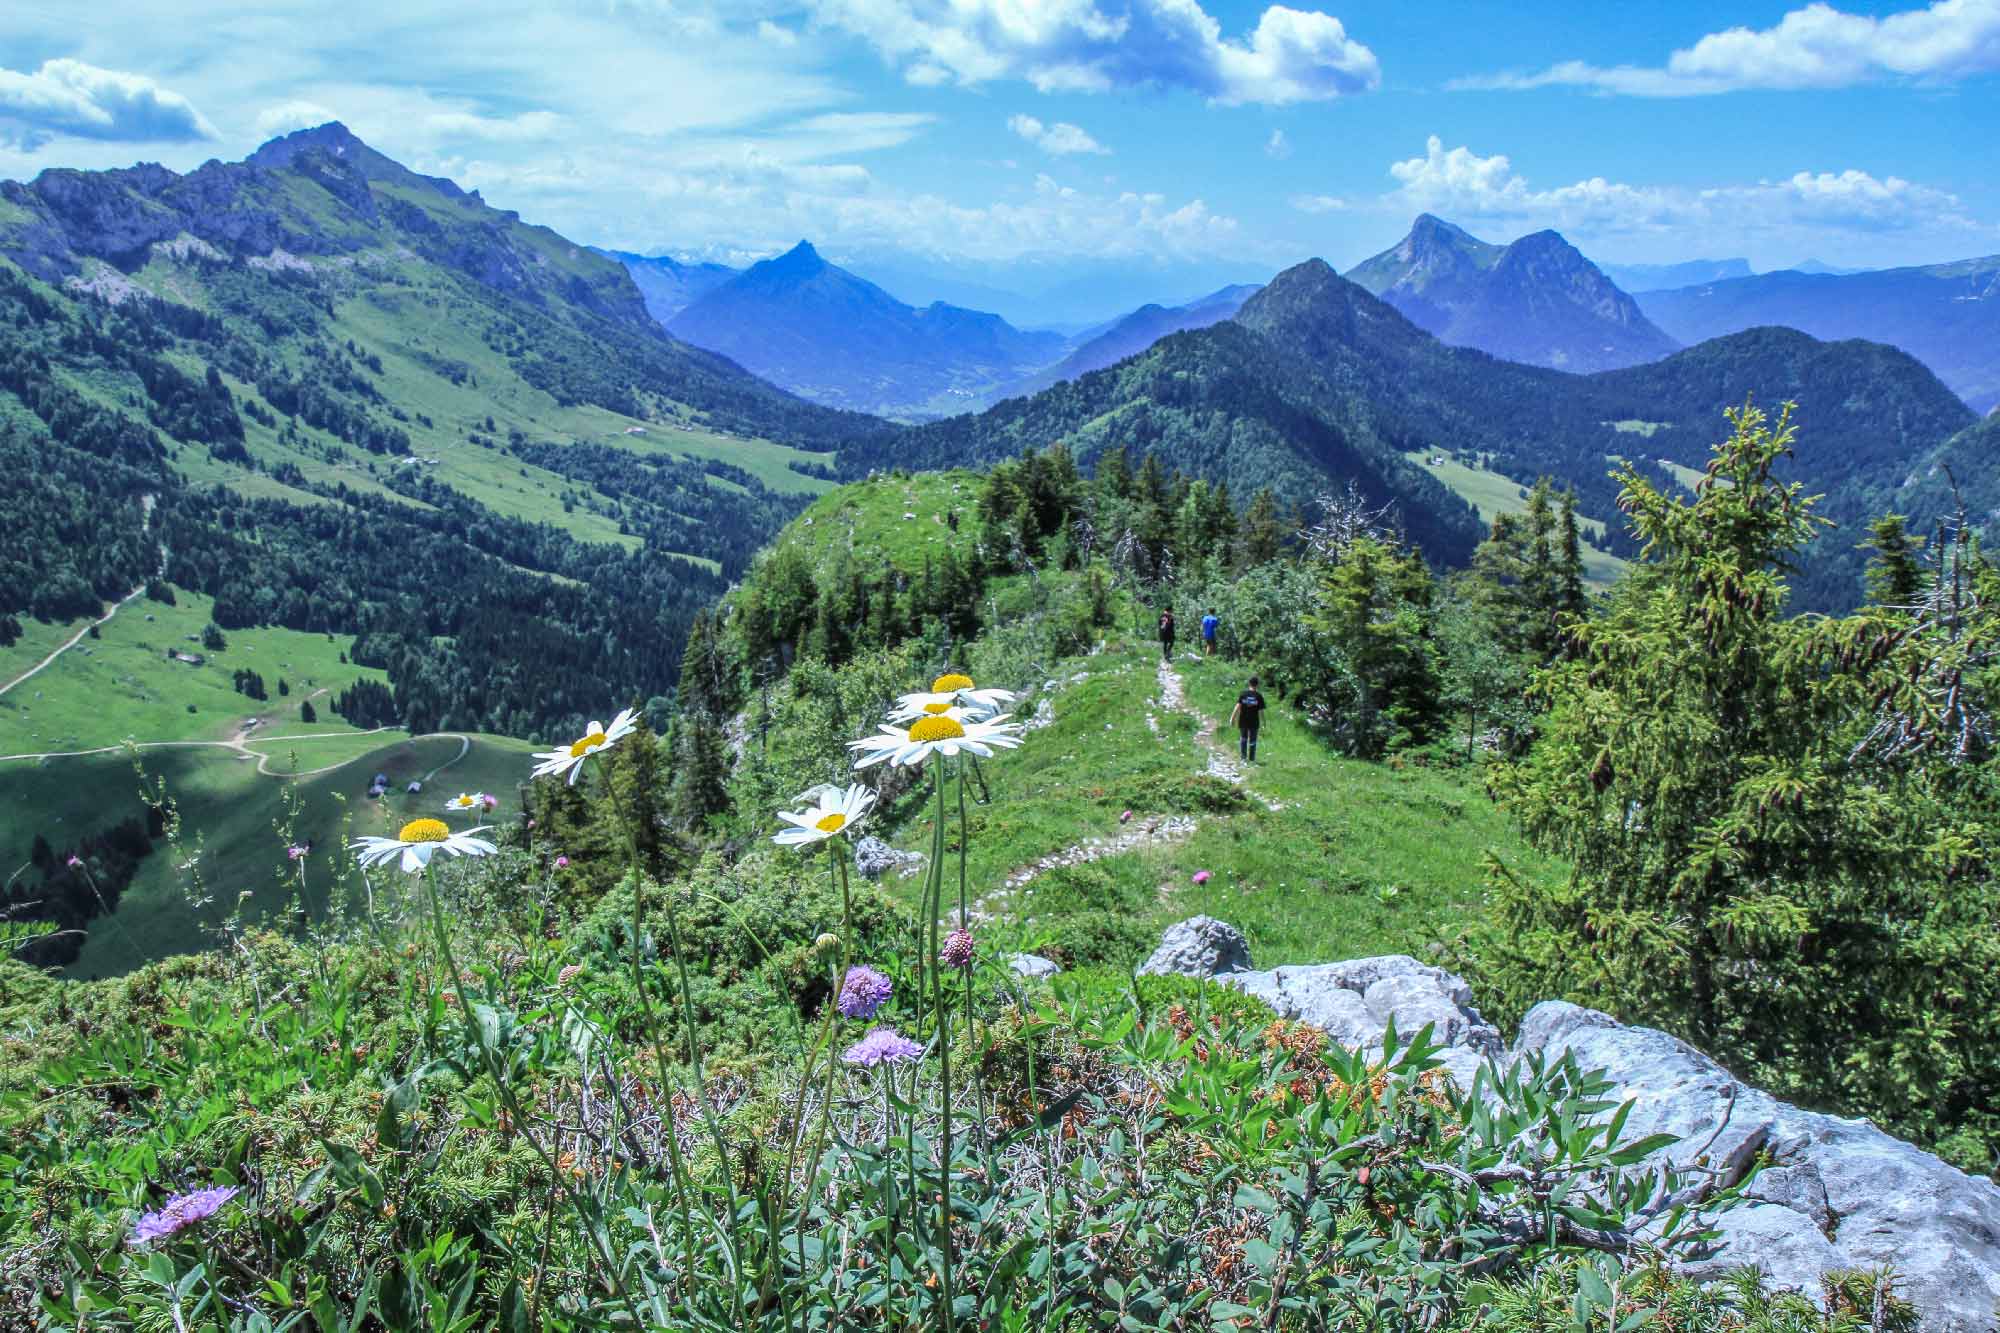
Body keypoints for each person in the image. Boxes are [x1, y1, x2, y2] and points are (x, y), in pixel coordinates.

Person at [1229, 675, 1266, 762]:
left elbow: (1237, 707)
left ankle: (1243, 759)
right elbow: (1261, 712)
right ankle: (1252, 759)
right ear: (1257, 685)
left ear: (1249, 683)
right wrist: (1264, 722)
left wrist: (1232, 719)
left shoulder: (1243, 694)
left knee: (1243, 738)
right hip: (1254, 721)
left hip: (1243, 720)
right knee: (1253, 740)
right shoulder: (1259, 696)